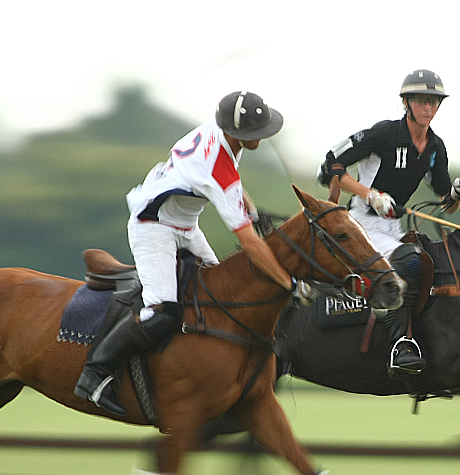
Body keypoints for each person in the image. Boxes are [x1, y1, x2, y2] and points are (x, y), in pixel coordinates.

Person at [75, 91, 314, 416]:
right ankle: (95, 373)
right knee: (164, 311)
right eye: (252, 133)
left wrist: (249, 206)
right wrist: (289, 283)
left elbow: (227, 178)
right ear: (232, 130)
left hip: (186, 225)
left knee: (223, 293)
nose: (259, 138)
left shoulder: (219, 134)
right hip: (153, 226)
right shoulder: (217, 166)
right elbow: (249, 243)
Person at [317, 69, 460, 379]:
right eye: (422, 101)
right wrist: (370, 195)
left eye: (434, 102)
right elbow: (333, 166)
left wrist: (456, 195)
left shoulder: (435, 148)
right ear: (406, 103)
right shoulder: (384, 134)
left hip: (392, 229)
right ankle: (400, 344)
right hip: (361, 224)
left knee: (432, 263)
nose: (429, 108)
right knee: (410, 262)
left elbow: (445, 205)